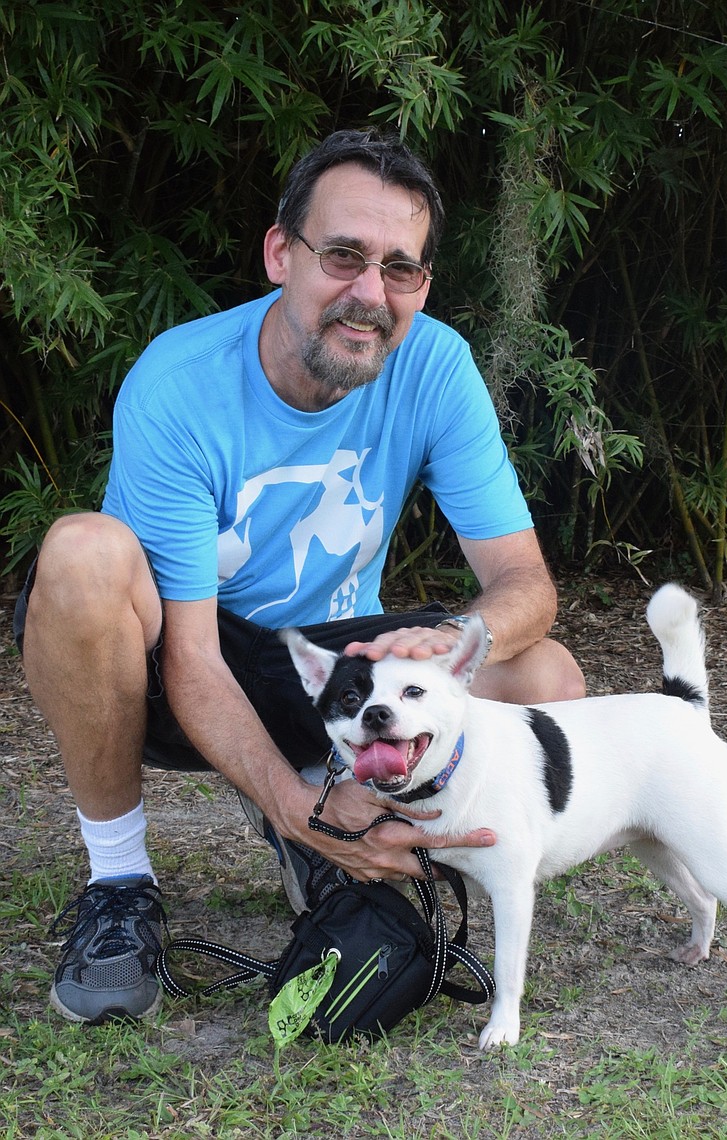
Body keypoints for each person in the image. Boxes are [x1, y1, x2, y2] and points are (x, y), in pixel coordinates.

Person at [14, 128, 585, 1026]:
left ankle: (376, 829)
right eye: (344, 256)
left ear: (423, 287)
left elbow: (524, 581)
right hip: (174, 659)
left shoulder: (435, 364)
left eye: (399, 268)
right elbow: (195, 659)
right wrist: (288, 805)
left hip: (334, 672)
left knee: (545, 674)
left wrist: (455, 645)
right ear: (282, 253)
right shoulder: (180, 381)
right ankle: (121, 882)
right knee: (84, 553)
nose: (370, 294)